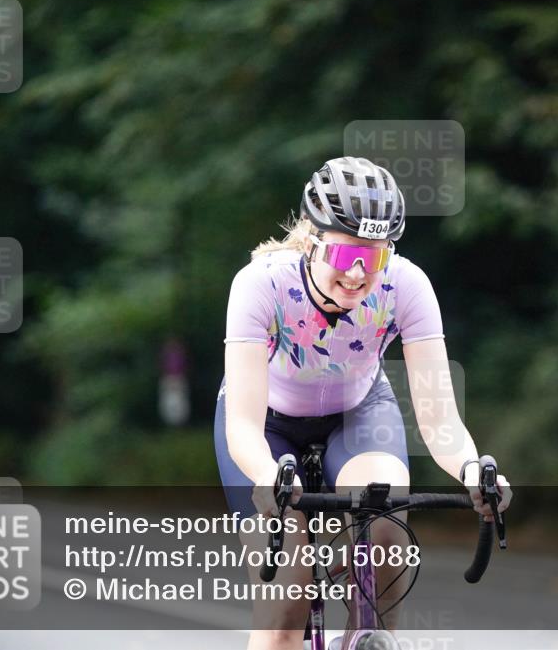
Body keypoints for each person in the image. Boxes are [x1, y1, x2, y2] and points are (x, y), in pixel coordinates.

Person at [215, 157, 512, 650]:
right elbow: (243, 423)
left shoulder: (408, 285)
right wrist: (267, 477)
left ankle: (370, 638)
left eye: (373, 258)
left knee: (388, 534)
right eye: (345, 253)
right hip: (265, 426)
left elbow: (440, 420)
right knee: (286, 600)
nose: (357, 274)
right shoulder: (261, 283)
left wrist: (471, 469)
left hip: (356, 414)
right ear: (311, 240)